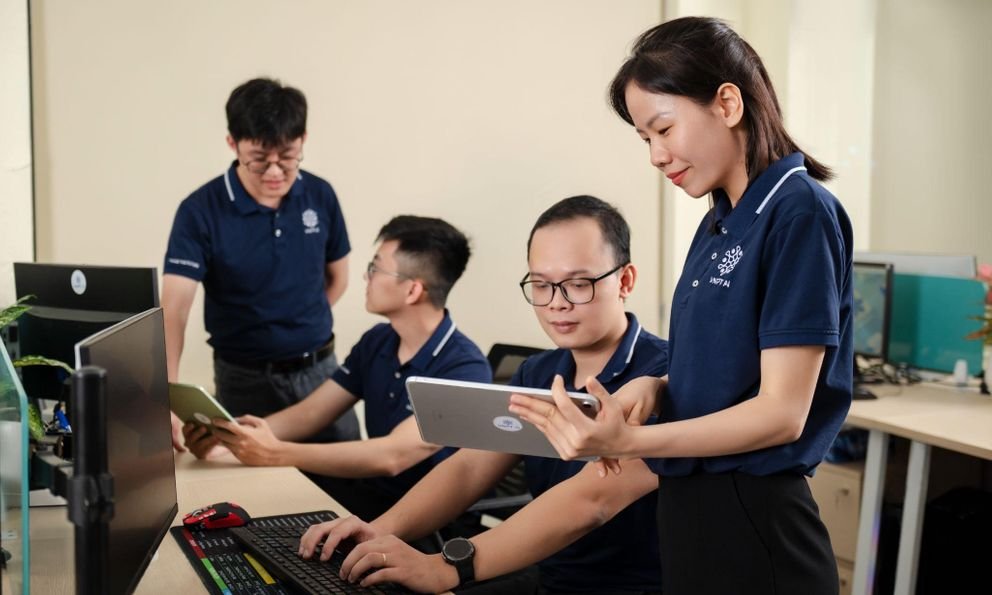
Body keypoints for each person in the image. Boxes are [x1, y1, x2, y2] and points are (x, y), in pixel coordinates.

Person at [510, 17, 853, 595]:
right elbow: (735, 367)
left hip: (755, 524)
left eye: (664, 129)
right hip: (693, 518)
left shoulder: (799, 212)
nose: (656, 155)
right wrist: (661, 385)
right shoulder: (720, 221)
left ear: (727, 103)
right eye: (645, 139)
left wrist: (629, 442)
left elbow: (781, 413)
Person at [299, 196, 668, 595]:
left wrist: (445, 566)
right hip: (548, 575)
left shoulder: (664, 376)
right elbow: (470, 467)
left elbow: (592, 501)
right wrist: (378, 530)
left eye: (578, 284)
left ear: (625, 281)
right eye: (541, 285)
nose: (557, 303)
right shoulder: (537, 372)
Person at [185, 215, 492, 520]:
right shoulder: (378, 340)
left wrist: (275, 453)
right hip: (369, 498)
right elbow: (310, 413)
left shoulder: (465, 370)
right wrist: (227, 440)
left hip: (424, 521)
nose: (366, 278)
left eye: (375, 268)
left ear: (412, 291)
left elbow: (393, 456)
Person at [162, 77, 358, 451]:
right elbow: (174, 309)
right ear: (232, 143)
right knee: (245, 477)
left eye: (287, 157)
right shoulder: (200, 210)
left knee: (346, 475)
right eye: (259, 159)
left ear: (303, 140)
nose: (274, 172)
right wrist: (167, 394)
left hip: (320, 374)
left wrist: (296, 322)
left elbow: (338, 278)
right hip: (243, 381)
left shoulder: (320, 195)